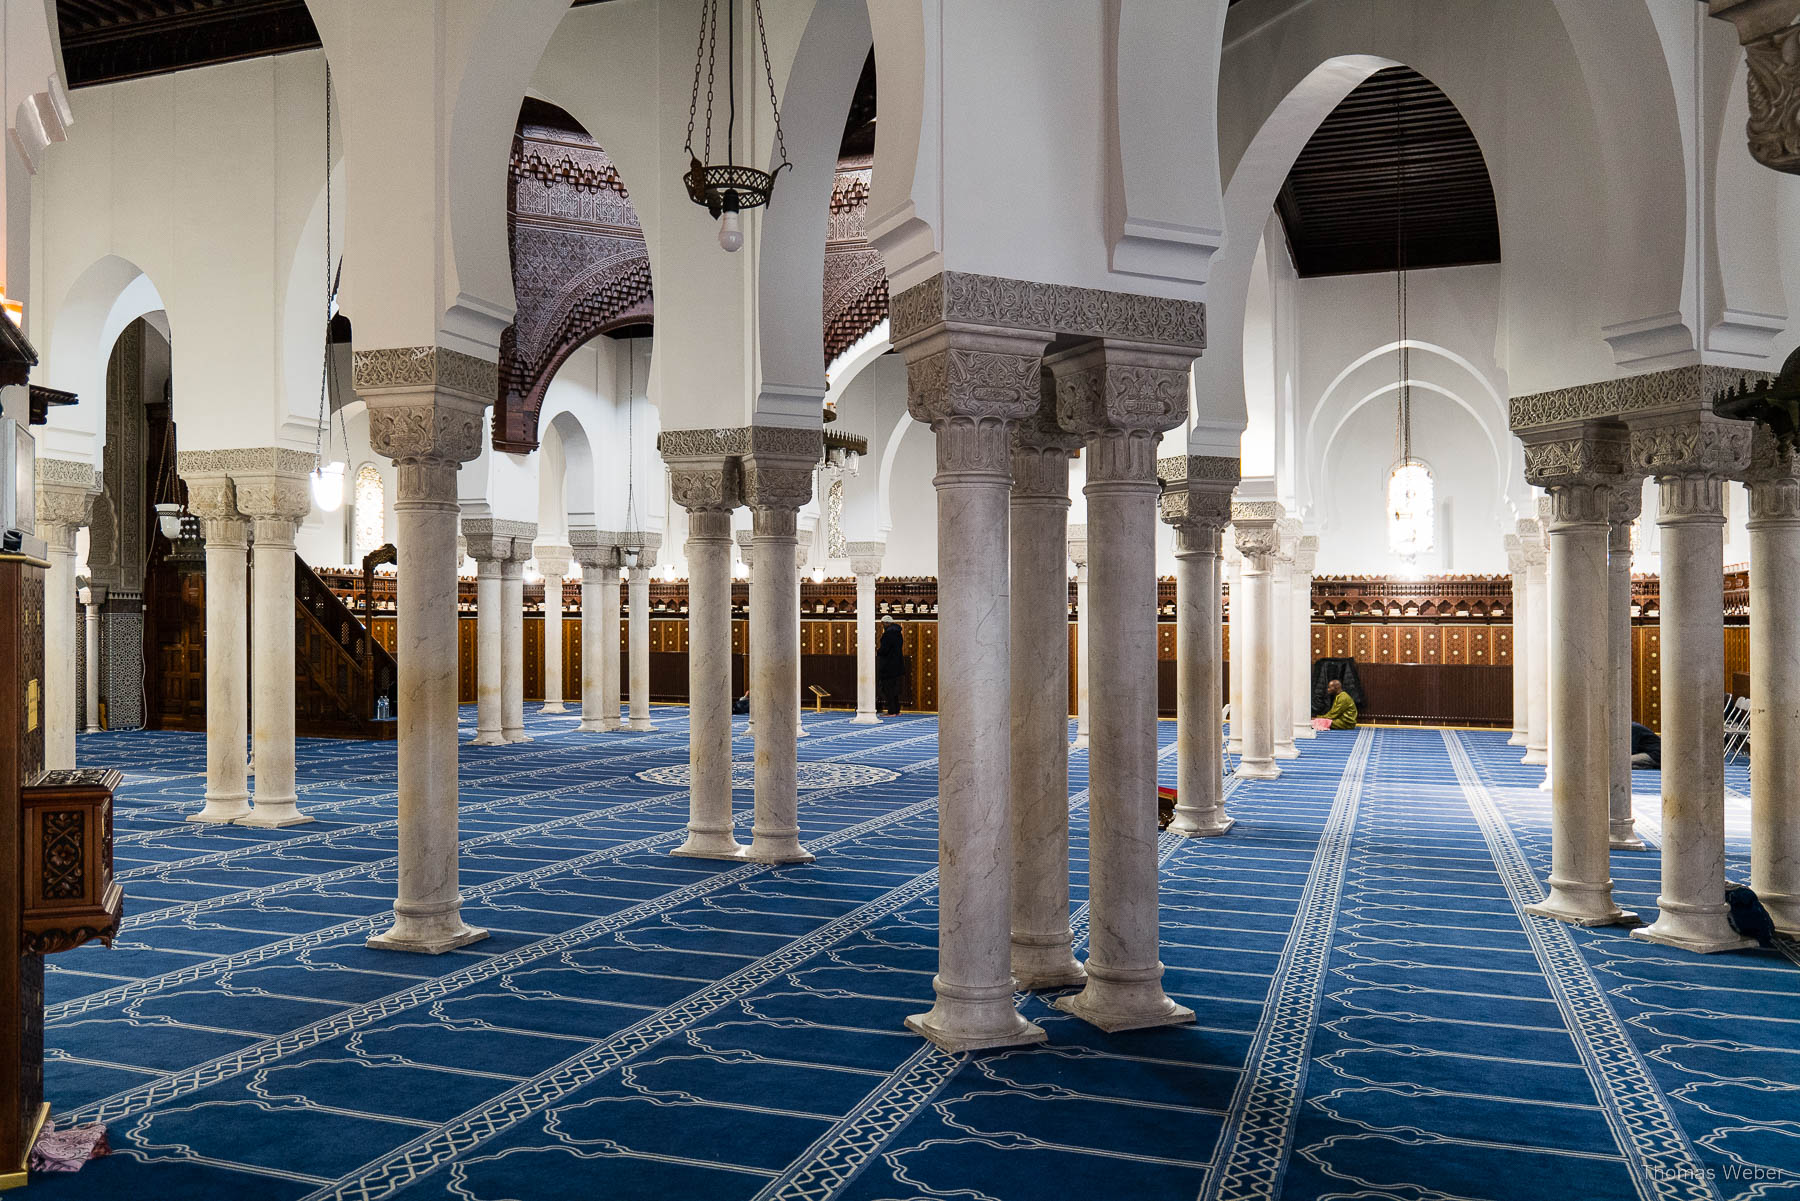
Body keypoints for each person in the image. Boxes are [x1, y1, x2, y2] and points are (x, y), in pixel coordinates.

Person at [875, 621, 905, 716]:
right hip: (897, 666)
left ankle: (891, 711)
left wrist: (878, 652)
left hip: (888, 667)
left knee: (888, 689)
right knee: (895, 690)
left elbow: (885, 650)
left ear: (885, 624)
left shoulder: (887, 635)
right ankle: (896, 710)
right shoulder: (898, 634)